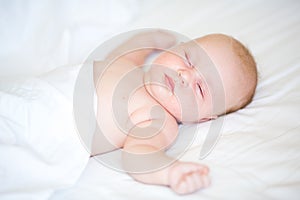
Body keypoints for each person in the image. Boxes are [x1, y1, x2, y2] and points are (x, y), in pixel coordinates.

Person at [91, 30, 257, 195]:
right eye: (187, 59)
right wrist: (148, 41)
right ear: (178, 47)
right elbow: (123, 53)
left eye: (199, 88)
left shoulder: (159, 121)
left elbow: (139, 154)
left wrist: (170, 172)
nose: (184, 75)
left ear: (202, 119)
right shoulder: (129, 64)